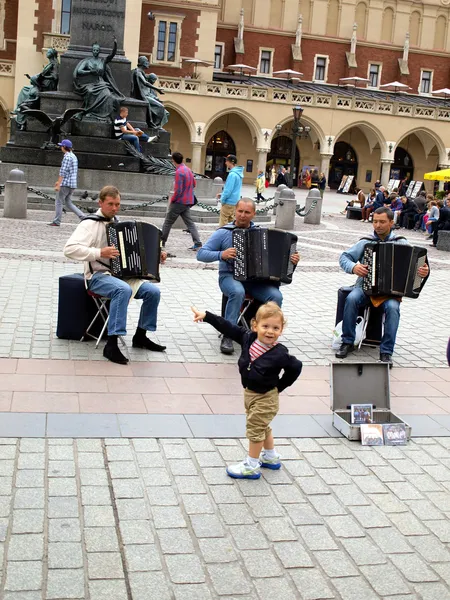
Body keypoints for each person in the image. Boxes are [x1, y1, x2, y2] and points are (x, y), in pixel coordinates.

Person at [191, 302, 302, 479]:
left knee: (255, 429)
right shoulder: (248, 338)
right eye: (265, 326)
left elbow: (296, 367)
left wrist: (279, 387)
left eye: (276, 328)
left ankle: (251, 465)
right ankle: (271, 458)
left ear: (281, 330)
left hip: (266, 397)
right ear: (255, 325)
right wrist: (207, 316)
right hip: (250, 393)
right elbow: (228, 327)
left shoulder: (280, 353)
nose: (270, 331)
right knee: (262, 426)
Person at [64, 185, 166, 364]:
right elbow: (69, 249)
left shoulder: (118, 224)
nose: (114, 208)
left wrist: (157, 254)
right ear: (100, 203)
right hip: (96, 277)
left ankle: (140, 336)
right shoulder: (89, 224)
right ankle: (111, 344)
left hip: (119, 276)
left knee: (153, 292)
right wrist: (99, 253)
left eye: (117, 204)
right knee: (123, 290)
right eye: (110, 204)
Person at [197, 199, 300, 355]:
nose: (243, 215)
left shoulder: (261, 234)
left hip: (255, 281)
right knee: (237, 291)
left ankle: (265, 335)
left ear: (253, 214)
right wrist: (221, 254)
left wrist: (292, 261)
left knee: (275, 296)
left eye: (247, 212)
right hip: (229, 276)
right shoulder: (223, 232)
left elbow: (282, 261)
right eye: (240, 211)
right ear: (235, 211)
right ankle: (228, 334)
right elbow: (201, 254)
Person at [335, 207, 429, 366]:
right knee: (351, 299)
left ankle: (386, 351)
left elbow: (419, 266)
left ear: (391, 222)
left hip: (389, 293)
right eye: (375, 221)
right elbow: (344, 257)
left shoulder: (401, 242)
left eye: (382, 222)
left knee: (393, 308)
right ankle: (347, 341)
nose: (377, 225)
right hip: (365, 287)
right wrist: (353, 267)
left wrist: (423, 271)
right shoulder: (366, 242)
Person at [73, 39, 124, 122]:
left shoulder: (102, 61)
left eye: (97, 50)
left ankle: (103, 115)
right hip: (89, 82)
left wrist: (115, 45)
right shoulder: (87, 61)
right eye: (94, 50)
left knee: (108, 94)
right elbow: (79, 71)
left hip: (101, 83)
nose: (95, 51)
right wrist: (90, 71)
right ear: (92, 51)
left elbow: (111, 55)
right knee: (90, 92)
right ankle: (88, 111)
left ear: (99, 51)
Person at [161, 152, 202, 251]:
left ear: (173, 161)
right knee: (189, 223)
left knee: (168, 222)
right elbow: (194, 184)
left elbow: (178, 190)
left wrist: (173, 199)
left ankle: (161, 242)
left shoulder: (179, 172)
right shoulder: (188, 170)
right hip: (187, 201)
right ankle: (197, 242)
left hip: (179, 201)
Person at [13, 48, 59, 130]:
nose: (47, 53)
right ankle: (19, 109)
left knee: (26, 90)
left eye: (49, 52)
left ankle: (21, 110)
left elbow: (55, 77)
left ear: (52, 54)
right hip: (42, 84)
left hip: (47, 86)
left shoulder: (54, 64)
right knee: (25, 89)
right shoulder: (50, 64)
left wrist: (42, 77)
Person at [48, 139, 85, 227]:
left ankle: (57, 221)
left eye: (61, 146)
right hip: (72, 184)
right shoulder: (73, 156)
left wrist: (58, 184)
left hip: (65, 184)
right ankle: (83, 216)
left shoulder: (67, 157)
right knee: (68, 202)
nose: (60, 147)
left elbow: (63, 171)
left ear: (64, 147)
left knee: (58, 202)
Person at [131, 57, 170, 129]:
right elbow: (145, 83)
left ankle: (156, 124)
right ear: (142, 63)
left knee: (161, 107)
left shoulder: (142, 73)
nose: (148, 63)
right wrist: (158, 89)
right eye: (146, 61)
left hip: (145, 95)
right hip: (142, 96)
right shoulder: (138, 72)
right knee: (160, 107)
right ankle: (155, 125)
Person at [217, 154, 244, 227]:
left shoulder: (232, 174)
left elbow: (228, 190)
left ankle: (222, 238)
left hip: (228, 202)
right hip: (235, 202)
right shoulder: (239, 174)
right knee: (231, 224)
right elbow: (234, 189)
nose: (225, 163)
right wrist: (222, 194)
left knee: (223, 225)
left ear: (231, 162)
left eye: (226, 161)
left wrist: (222, 199)